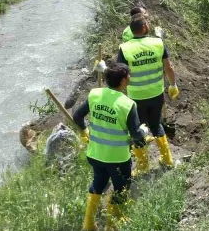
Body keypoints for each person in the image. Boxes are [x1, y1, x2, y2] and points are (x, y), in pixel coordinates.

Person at [73, 62, 147, 231]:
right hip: (118, 158)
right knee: (121, 188)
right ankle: (112, 225)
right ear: (122, 81)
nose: (130, 77)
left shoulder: (94, 94)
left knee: (98, 184)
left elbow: (77, 115)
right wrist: (142, 131)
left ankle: (88, 224)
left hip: (95, 154)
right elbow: (135, 134)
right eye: (128, 75)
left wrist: (85, 132)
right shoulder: (128, 104)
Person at [118, 14, 180, 174]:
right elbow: (169, 67)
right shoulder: (158, 43)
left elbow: (120, 74)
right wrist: (173, 84)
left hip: (136, 97)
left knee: (137, 129)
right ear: (145, 28)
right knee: (155, 124)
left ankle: (143, 166)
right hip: (156, 94)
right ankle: (167, 160)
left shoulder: (125, 48)